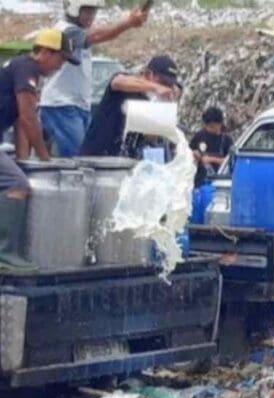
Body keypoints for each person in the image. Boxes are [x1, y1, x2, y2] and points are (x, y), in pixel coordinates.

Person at [0, 29, 79, 272]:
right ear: (45, 52)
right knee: (16, 183)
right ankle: (5, 254)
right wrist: (45, 159)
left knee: (16, 174)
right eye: (60, 59)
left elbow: (19, 123)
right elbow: (28, 119)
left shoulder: (20, 67)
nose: (61, 65)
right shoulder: (27, 69)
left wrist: (25, 159)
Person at [39, 0, 148, 158]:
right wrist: (128, 22)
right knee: (82, 159)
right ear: (74, 9)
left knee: (87, 155)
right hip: (61, 104)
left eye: (94, 12)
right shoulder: (67, 31)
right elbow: (98, 35)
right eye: (87, 11)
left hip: (77, 105)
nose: (91, 16)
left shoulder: (77, 31)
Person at [80, 55, 180, 158]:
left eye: (169, 85)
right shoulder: (125, 86)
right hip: (96, 156)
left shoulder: (151, 103)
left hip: (122, 161)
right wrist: (156, 88)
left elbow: (151, 138)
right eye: (163, 82)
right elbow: (117, 82)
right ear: (149, 74)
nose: (165, 87)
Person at [190, 107, 233, 187]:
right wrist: (195, 156)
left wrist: (211, 159)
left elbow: (230, 162)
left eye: (213, 126)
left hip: (219, 182)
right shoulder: (199, 136)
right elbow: (189, 155)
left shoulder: (226, 140)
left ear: (219, 124)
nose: (210, 129)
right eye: (208, 126)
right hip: (200, 182)